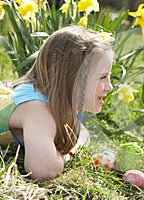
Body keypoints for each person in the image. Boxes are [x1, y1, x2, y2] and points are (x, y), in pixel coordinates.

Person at [0, 26, 114, 180]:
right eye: (103, 77)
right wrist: (67, 153)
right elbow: (44, 170)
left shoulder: (43, 99)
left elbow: (82, 132)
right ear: (73, 78)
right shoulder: (39, 113)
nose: (110, 87)